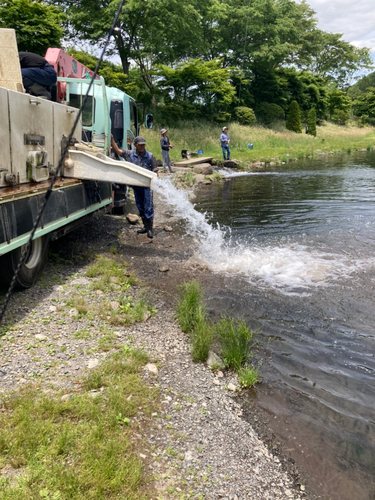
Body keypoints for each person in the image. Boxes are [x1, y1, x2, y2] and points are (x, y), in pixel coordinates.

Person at [111, 135, 158, 239]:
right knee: (140, 206)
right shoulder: (129, 154)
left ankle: (150, 229)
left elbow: (156, 172)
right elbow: (118, 151)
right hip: (136, 186)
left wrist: (155, 184)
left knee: (148, 206)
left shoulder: (150, 156)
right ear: (135, 145)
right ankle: (145, 227)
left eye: (143, 145)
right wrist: (112, 140)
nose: (142, 147)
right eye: (140, 145)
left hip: (147, 186)